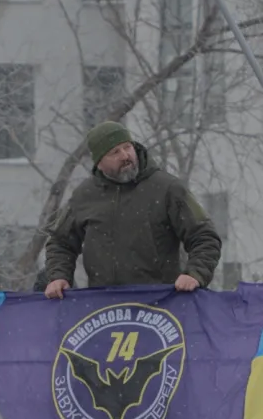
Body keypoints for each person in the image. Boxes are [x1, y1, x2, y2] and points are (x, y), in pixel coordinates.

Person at [42, 122, 221, 298]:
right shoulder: (84, 196)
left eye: (127, 147)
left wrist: (195, 274)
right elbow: (60, 241)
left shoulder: (167, 188)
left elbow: (204, 236)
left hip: (161, 305)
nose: (125, 156)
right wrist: (58, 277)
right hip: (104, 309)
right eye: (115, 152)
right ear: (99, 162)